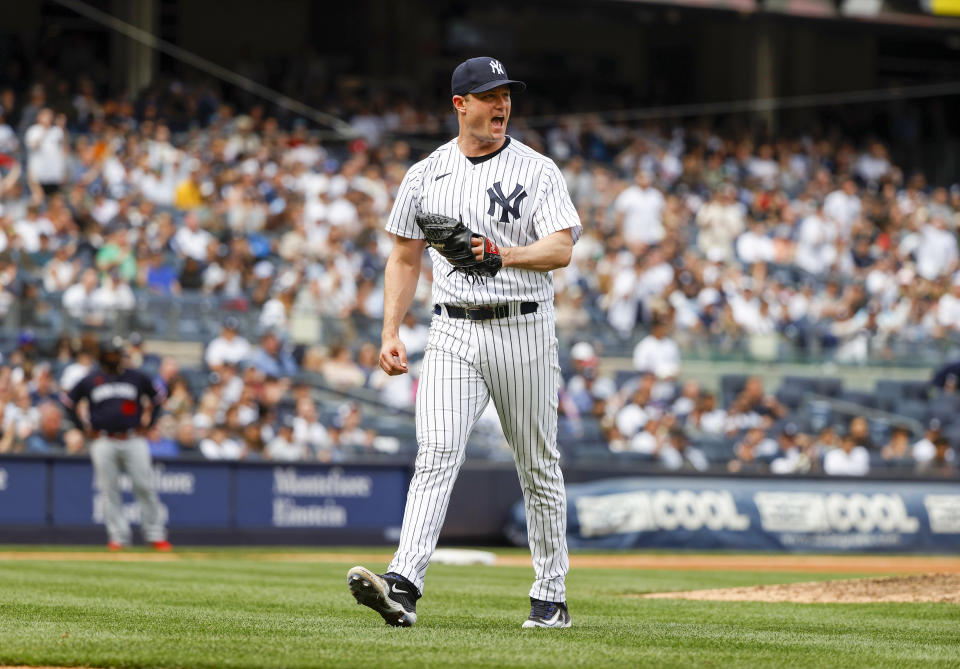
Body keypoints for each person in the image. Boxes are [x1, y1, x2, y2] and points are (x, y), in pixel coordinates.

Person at [347, 56, 580, 629]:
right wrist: (390, 331)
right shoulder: (426, 174)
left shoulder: (537, 168)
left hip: (521, 326)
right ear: (460, 104)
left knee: (537, 464)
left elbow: (560, 249)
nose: (502, 104)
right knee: (436, 453)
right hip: (451, 328)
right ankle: (403, 583)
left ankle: (551, 594)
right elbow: (403, 255)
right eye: (489, 95)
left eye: (506, 95)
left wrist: (504, 252)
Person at [60, 336, 172, 551]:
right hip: (103, 439)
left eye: (117, 353)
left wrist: (149, 425)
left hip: (133, 438)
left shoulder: (136, 377)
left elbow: (158, 398)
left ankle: (155, 534)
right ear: (102, 356)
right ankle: (118, 537)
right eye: (111, 353)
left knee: (144, 486)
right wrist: (82, 428)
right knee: (109, 490)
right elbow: (68, 403)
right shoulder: (91, 379)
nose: (115, 357)